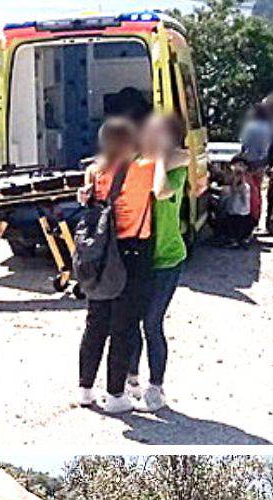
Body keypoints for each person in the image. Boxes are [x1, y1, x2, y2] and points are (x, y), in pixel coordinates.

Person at [77, 117, 156, 415]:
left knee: (96, 322)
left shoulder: (94, 172)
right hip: (130, 252)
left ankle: (85, 390)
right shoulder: (143, 169)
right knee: (123, 326)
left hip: (99, 251)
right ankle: (115, 394)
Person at [126, 114, 193, 413]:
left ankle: (156, 387)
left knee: (152, 323)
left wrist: (164, 158)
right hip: (139, 256)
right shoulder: (143, 162)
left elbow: (160, 190)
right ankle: (131, 381)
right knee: (132, 321)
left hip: (167, 259)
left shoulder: (174, 169)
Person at [238, 103, 273, 225]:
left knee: (248, 191)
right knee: (257, 191)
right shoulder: (268, 128)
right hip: (262, 163)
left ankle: (249, 219)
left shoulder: (250, 127)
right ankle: (257, 218)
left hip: (249, 163)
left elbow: (244, 146)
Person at [214, 156, 256, 248]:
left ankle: (236, 241)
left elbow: (237, 189)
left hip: (240, 212)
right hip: (235, 210)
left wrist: (236, 179)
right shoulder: (235, 178)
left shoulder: (244, 183)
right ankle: (237, 239)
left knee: (235, 226)